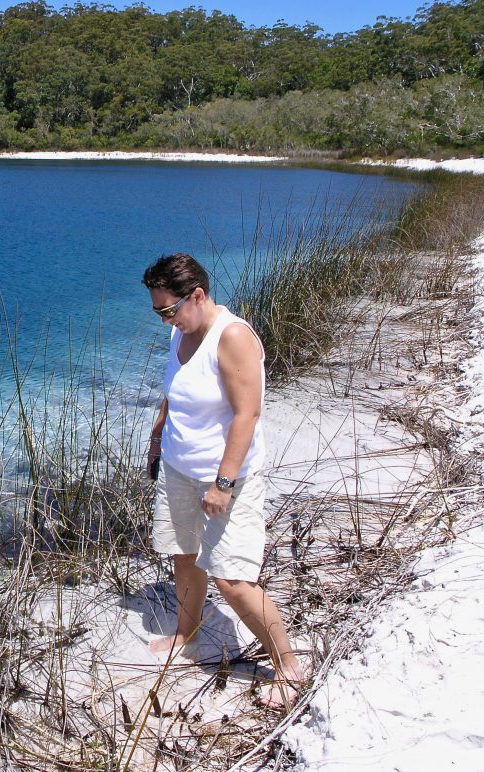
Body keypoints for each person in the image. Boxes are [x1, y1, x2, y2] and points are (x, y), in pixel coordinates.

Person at [142, 252, 303, 708]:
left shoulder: (232, 337)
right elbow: (173, 393)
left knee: (233, 580)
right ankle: (186, 634)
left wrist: (224, 482)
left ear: (198, 295)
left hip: (226, 478)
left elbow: (247, 413)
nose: (164, 319)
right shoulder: (181, 330)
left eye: (169, 309)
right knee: (185, 553)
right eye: (157, 311)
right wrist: (157, 441)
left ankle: (288, 665)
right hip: (178, 466)